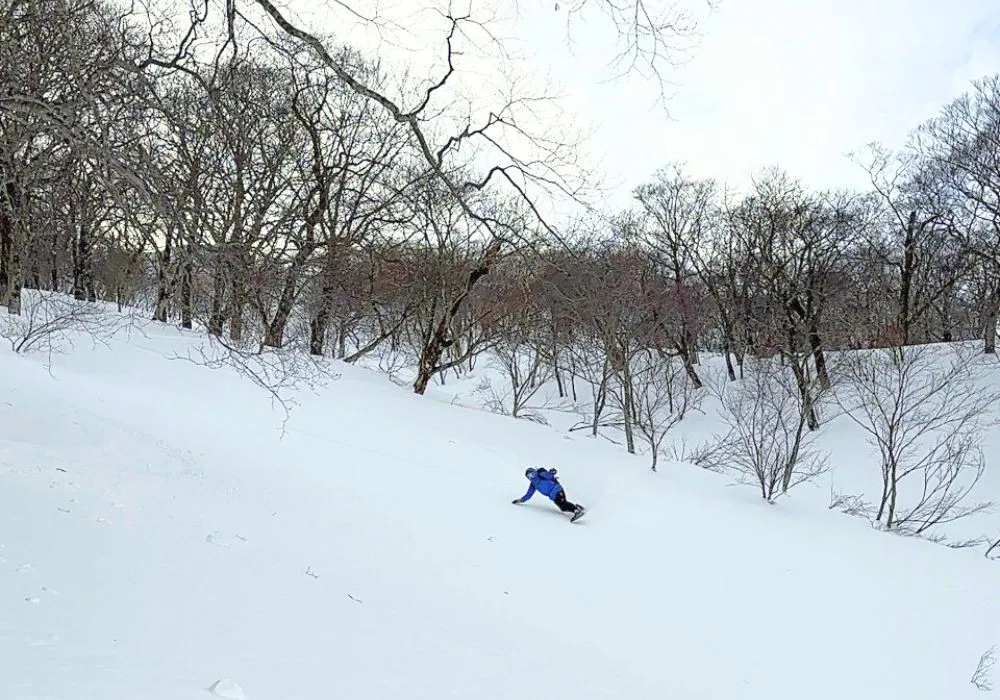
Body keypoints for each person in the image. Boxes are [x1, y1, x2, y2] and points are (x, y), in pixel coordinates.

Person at [512, 467, 585, 520]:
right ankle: (577, 508)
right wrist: (521, 500)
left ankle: (576, 510)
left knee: (563, 505)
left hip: (557, 490)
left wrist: (552, 472)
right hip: (553, 496)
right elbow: (528, 494)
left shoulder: (541, 475)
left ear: (534, 472)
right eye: (529, 476)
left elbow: (549, 475)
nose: (531, 477)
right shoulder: (533, 484)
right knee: (563, 507)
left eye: (532, 474)